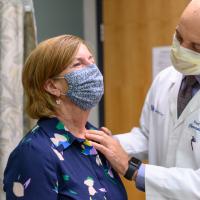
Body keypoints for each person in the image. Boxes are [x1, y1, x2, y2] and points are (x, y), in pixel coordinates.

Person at [85, 0, 200, 199]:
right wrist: (108, 143)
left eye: (196, 46)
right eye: (179, 36)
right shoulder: (166, 78)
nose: (181, 48)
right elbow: (147, 136)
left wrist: (134, 170)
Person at [3, 35, 127, 200]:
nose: (92, 68)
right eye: (78, 64)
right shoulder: (34, 153)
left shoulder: (97, 140)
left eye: (91, 60)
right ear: (52, 86)